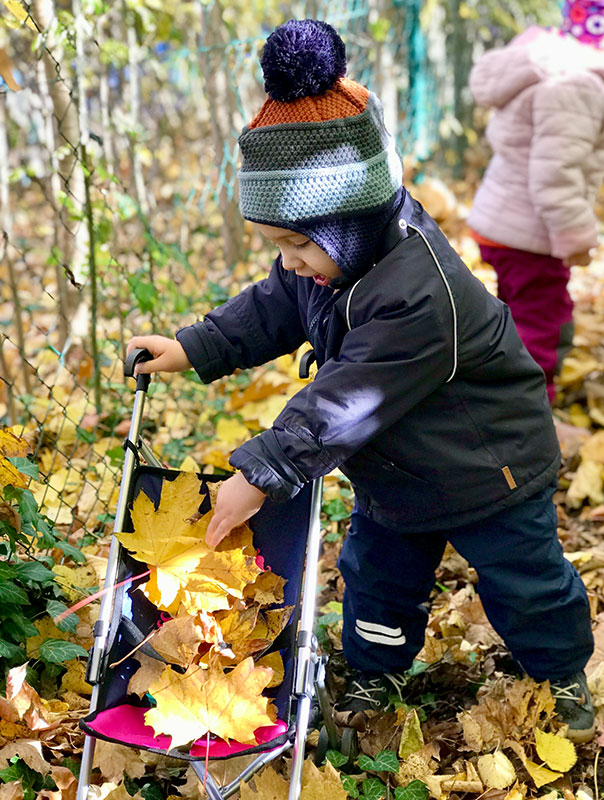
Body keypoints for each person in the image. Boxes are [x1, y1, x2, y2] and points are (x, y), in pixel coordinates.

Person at [128, 19, 595, 742]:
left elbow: (345, 399)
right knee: (376, 578)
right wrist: (195, 346)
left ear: (350, 219)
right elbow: (274, 306)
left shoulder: (418, 290)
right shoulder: (327, 264)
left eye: (297, 243)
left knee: (526, 582)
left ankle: (561, 672)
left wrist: (262, 469)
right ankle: (376, 673)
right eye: (277, 244)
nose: (287, 262)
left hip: (488, 469)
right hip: (399, 475)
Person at [467, 1, 604, 404]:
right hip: (531, 234)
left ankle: (494, 396)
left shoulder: (550, 67)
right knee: (544, 325)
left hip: (505, 223)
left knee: (513, 317)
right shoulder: (577, 84)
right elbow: (555, 173)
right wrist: (577, 238)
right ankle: (529, 416)